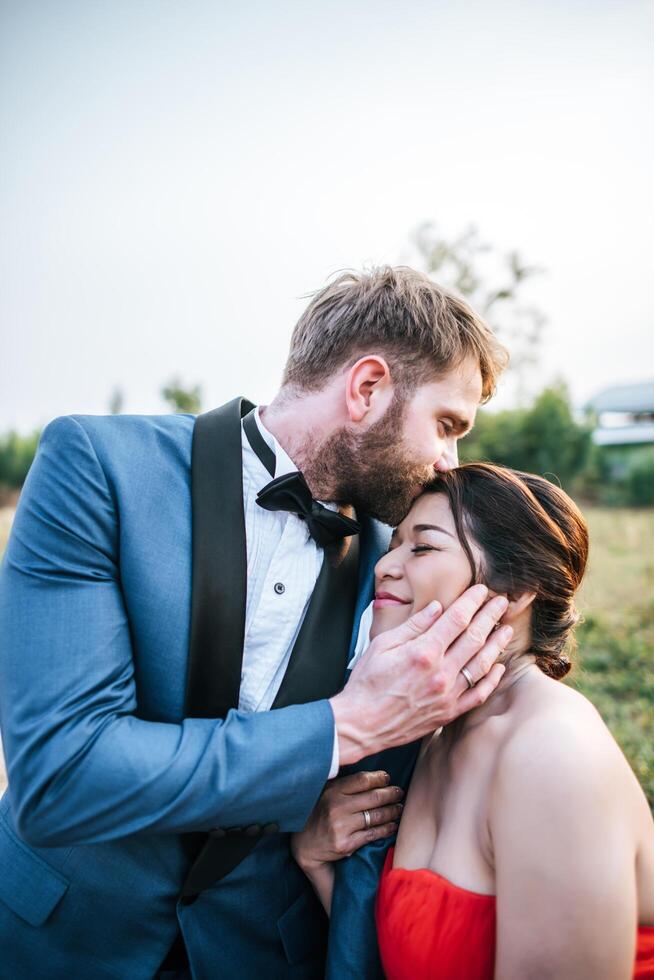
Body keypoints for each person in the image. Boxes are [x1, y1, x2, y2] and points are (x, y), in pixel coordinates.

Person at [0, 268, 512, 978]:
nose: (449, 462)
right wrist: (344, 725)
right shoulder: (98, 468)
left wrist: (311, 811)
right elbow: (64, 776)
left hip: (262, 953)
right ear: (367, 389)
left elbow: (384, 796)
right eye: (447, 425)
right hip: (59, 940)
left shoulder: (398, 567)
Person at [293, 463, 654, 979]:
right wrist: (316, 860)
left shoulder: (550, 753)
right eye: (393, 544)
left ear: (517, 588)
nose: (385, 567)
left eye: (422, 547)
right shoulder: (434, 731)